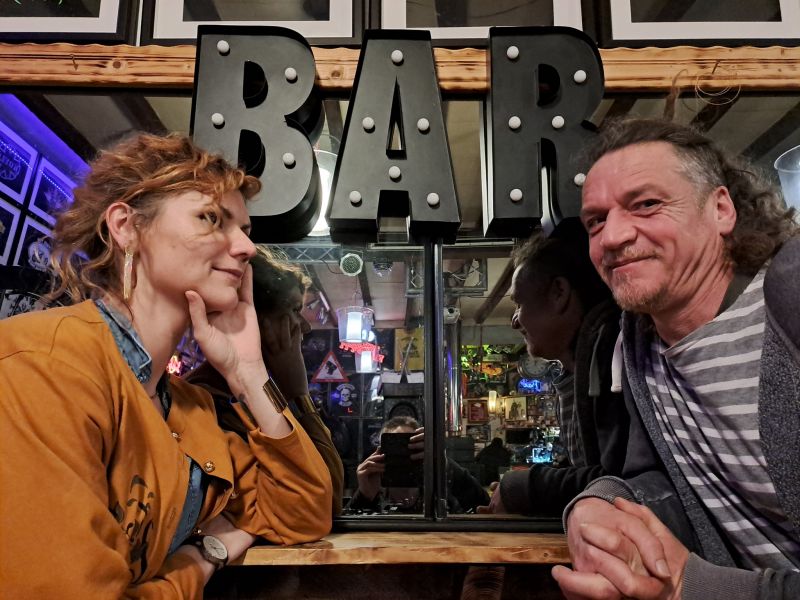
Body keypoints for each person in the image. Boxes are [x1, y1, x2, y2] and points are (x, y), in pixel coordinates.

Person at [0, 133, 332, 597]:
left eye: (245, 230)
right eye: (211, 218)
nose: (246, 248)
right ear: (126, 227)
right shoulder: (44, 363)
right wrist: (202, 560)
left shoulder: (187, 406)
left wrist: (250, 373)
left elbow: (304, 513)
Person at [551, 118, 800, 600]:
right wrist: (599, 503)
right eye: (595, 221)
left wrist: (694, 586)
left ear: (721, 209)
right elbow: (663, 480)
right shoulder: (641, 343)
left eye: (646, 204)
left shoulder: (790, 298)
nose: (613, 236)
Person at [481, 219, 629, 516]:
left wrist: (525, 488)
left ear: (559, 293)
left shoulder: (616, 355)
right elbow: (588, 471)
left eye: (519, 303)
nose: (514, 321)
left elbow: (624, 484)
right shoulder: (579, 369)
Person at [186, 246, 345, 515]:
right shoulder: (208, 401)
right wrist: (298, 393)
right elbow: (326, 502)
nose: (305, 326)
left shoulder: (254, 394)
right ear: (255, 320)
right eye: (294, 310)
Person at [348, 416, 489, 514]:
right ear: (381, 452)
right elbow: (349, 529)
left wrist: (441, 462)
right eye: (395, 447)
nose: (403, 455)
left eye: (410, 448)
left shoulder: (438, 486)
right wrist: (364, 494)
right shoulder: (374, 487)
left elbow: (483, 503)